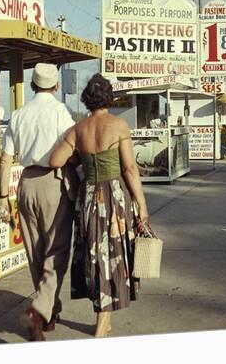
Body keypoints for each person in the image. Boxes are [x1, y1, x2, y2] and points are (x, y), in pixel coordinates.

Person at [49, 74, 152, 338]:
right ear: (109, 97)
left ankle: (103, 320)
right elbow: (129, 168)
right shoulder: (118, 125)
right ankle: (100, 328)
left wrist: (78, 160)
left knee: (95, 256)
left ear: (86, 99)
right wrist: (142, 205)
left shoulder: (78, 128)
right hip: (114, 196)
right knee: (112, 258)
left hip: (89, 196)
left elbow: (55, 160)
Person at [0, 63, 76, 341]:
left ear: (32, 85)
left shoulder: (19, 115)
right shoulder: (60, 112)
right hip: (53, 182)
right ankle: (39, 311)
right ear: (55, 86)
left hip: (26, 184)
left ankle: (49, 312)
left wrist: (3, 197)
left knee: (35, 251)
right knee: (58, 249)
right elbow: (72, 147)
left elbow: (6, 158)